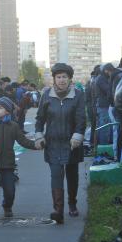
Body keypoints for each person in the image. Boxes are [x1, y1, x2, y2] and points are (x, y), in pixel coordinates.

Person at [35, 63, 86, 224]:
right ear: (54, 79)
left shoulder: (78, 95)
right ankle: (58, 210)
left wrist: (78, 135)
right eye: (59, 77)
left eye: (65, 77)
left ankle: (72, 203)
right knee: (56, 175)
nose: (62, 80)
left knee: (72, 175)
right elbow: (40, 118)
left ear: (70, 78)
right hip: (53, 143)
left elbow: (81, 119)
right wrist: (39, 135)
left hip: (72, 143)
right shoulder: (46, 95)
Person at [0, 97, 40, 221]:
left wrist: (35, 145)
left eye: (1, 108)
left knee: (9, 189)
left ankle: (7, 206)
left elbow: (23, 141)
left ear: (7, 111)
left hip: (7, 162)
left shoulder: (13, 126)